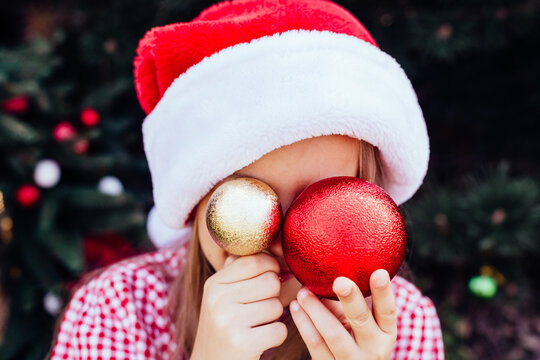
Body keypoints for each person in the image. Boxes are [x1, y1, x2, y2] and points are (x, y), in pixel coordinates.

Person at [49, 0, 444, 359]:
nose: (284, 239)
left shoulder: (404, 325)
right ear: (196, 201)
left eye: (324, 204)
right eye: (249, 201)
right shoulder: (118, 311)